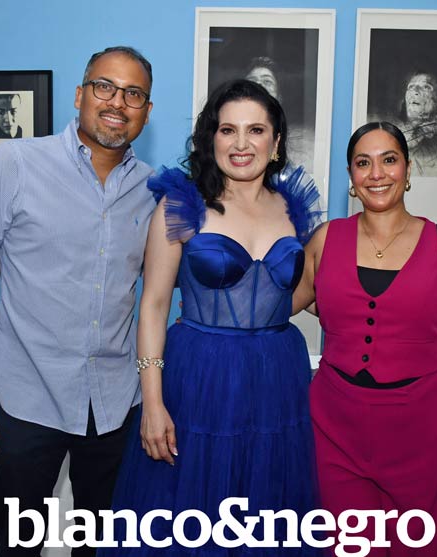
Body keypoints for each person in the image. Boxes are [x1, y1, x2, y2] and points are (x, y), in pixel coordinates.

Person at [0, 45, 155, 557]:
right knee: (18, 547)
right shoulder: (15, 163)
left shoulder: (152, 189)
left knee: (102, 549)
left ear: (146, 110)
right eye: (104, 86)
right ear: (79, 95)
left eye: (133, 94)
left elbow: (163, 289)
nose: (117, 102)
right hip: (29, 403)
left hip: (116, 407)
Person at [102, 79, 321, 556]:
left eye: (256, 130)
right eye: (228, 130)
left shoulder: (294, 209)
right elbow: (153, 306)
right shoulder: (181, 205)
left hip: (278, 380)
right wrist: (152, 403)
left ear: (276, 142)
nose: (242, 143)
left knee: (266, 516)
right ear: (211, 138)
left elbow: (300, 293)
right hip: (200, 379)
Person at [293, 121, 437, 556]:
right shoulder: (326, 240)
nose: (376, 173)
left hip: (421, 434)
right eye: (363, 163)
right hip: (335, 431)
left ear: (408, 169)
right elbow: (279, 301)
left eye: (389, 160)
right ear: (351, 176)